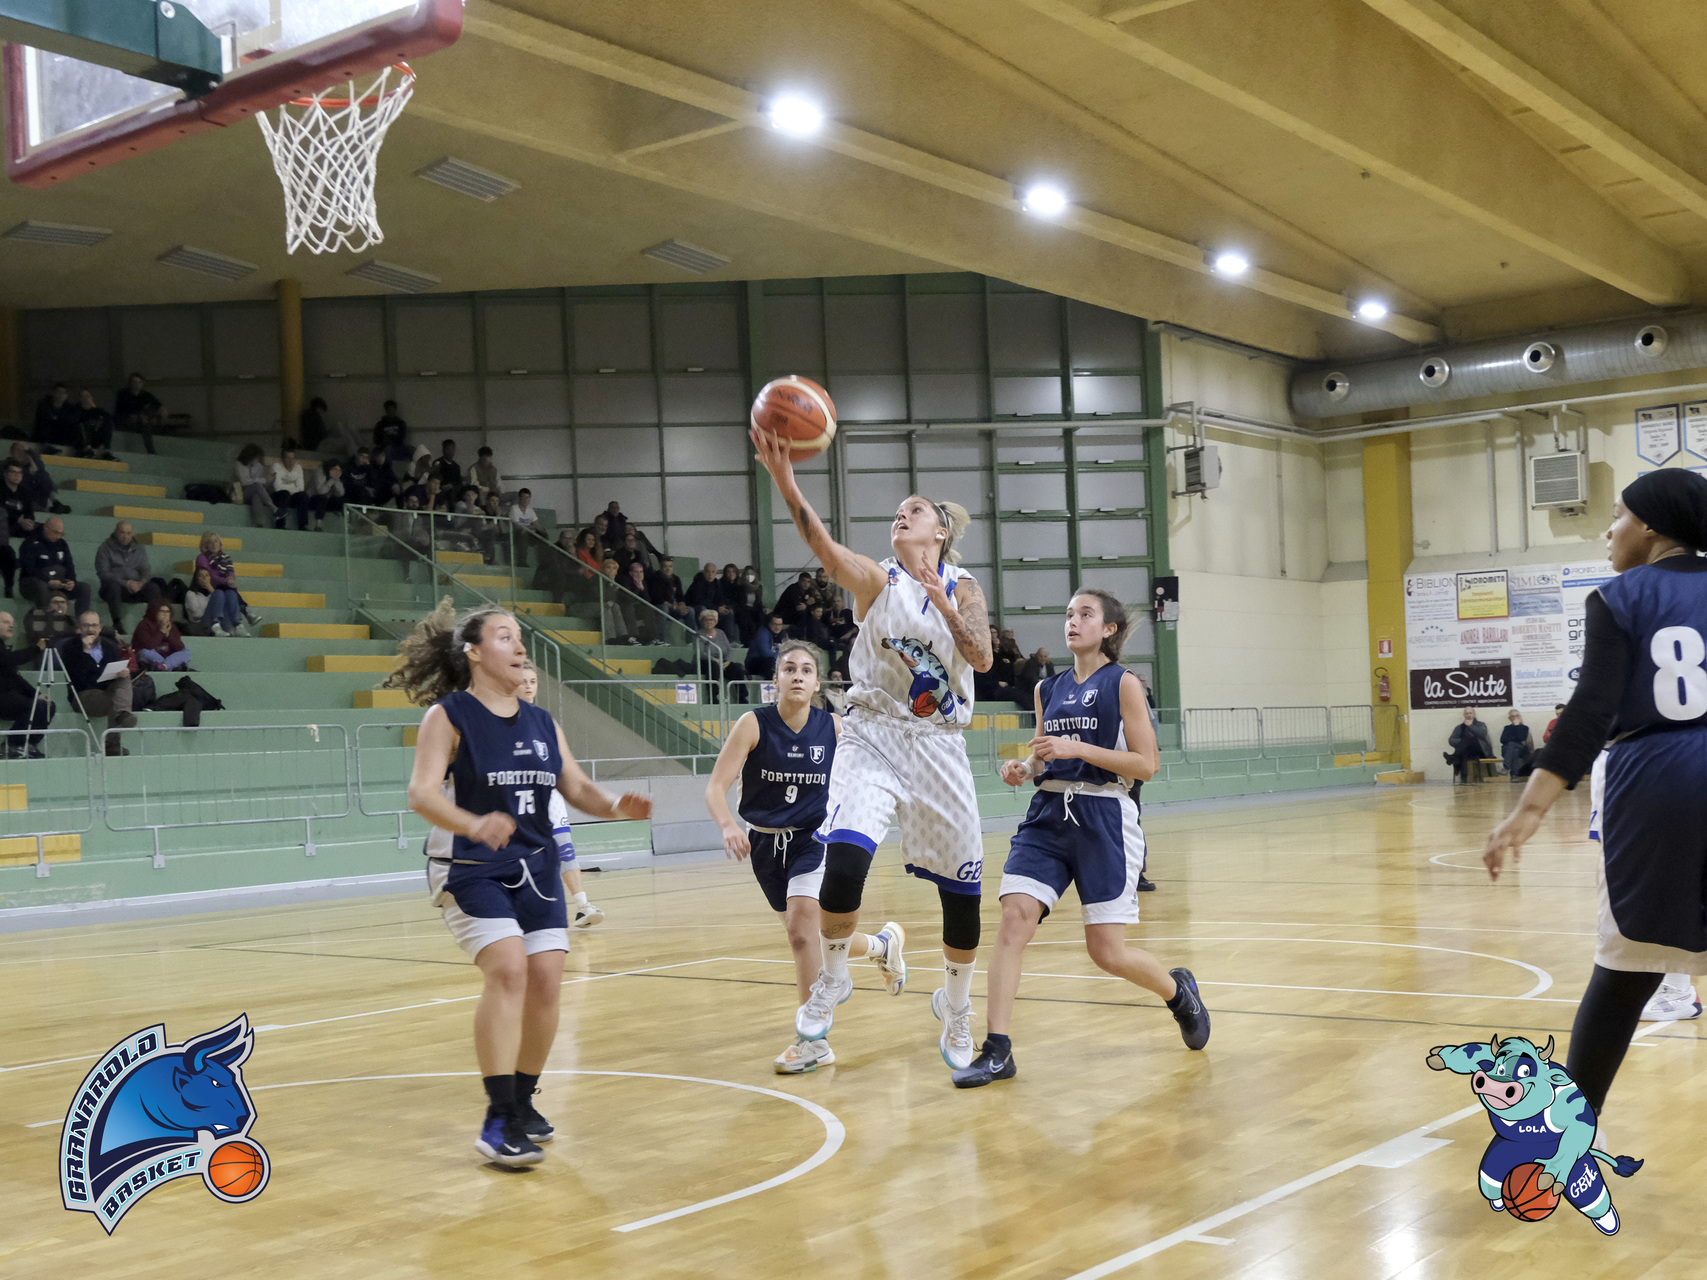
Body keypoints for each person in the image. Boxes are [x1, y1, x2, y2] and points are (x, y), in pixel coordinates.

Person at [753, 423, 994, 1071]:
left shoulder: (963, 585)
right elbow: (827, 551)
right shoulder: (879, 579)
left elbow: (981, 656)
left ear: (939, 532)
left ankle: (956, 1004)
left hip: (940, 744)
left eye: (913, 510)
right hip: (872, 734)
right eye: (897, 511)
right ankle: (833, 976)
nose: (900, 515)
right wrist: (785, 481)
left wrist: (946, 606)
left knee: (962, 896)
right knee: (844, 862)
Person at [1483, 469, 1707, 1127]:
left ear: (1651, 526)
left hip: (1657, 777)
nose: (1609, 531)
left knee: (1627, 964)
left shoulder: (1618, 597)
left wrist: (1529, 810)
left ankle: (1567, 1134)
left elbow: (1588, 711)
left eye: (1617, 515)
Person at [396, 600, 650, 1166]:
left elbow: (577, 788)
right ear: (473, 651)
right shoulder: (448, 715)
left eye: (520, 637)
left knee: (547, 984)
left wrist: (617, 806)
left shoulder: (542, 723)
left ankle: (523, 1099)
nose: (519, 646)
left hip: (536, 869)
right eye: (505, 636)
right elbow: (421, 793)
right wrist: (473, 824)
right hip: (470, 866)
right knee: (509, 968)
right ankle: (497, 1118)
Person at [953, 590, 1210, 1088]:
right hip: (1048, 814)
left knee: (1107, 953)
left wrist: (1077, 747)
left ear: (1108, 629)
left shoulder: (1123, 684)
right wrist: (1024, 767)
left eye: (1085, 614)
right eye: (1069, 614)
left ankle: (1179, 994)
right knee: (1013, 919)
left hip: (1104, 815)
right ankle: (997, 1050)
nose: (1072, 621)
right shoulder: (1046, 688)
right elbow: (1044, 755)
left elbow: (1147, 765)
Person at [706, 640, 906, 1072]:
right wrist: (727, 825)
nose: (797, 675)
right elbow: (715, 787)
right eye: (789, 669)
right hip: (764, 845)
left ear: (817, 683)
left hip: (814, 840)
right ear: (775, 679)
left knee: (801, 932)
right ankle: (881, 946)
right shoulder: (752, 724)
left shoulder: (834, 728)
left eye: (806, 670)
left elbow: (872, 771)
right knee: (812, 936)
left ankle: (813, 1041)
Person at [517, 663, 604, 930]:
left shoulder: (545, 721)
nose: (529, 686)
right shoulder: (500, 720)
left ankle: (583, 905)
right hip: (518, 798)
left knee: (565, 849)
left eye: (533, 681)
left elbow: (562, 765)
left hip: (549, 796)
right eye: (523, 681)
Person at [59, 611, 136, 756]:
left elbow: (113, 669)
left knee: (125, 678)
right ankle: (113, 740)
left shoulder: (108, 646)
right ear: (80, 628)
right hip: (83, 695)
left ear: (100, 628)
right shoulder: (70, 647)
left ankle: (123, 714)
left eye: (94, 625)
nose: (90, 629)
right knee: (116, 701)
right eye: (86, 625)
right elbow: (78, 678)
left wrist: (119, 673)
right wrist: (86, 652)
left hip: (105, 689)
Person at [95, 520, 167, 634]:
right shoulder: (104, 548)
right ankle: (117, 623)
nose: (125, 536)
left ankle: (152, 623)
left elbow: (146, 570)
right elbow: (103, 573)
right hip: (112, 588)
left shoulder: (139, 549)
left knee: (153, 588)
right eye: (122, 533)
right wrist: (125, 583)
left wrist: (141, 583)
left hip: (135, 588)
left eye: (128, 533)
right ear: (115, 532)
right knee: (113, 586)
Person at [0, 610, 53, 758]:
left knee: (47, 706)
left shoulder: (3, 648)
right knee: (36, 706)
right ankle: (12, 744)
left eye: (12, 622)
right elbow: (11, 659)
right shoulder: (4, 653)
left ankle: (28, 745)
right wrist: (37, 648)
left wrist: (37, 695)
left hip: (9, 696)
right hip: (3, 697)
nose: (12, 625)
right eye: (6, 622)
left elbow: (15, 677)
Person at [195, 531, 260, 636]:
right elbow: (210, 576)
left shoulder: (225, 558)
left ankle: (238, 625)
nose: (214, 544)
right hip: (210, 594)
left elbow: (231, 574)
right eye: (210, 542)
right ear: (205, 545)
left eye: (216, 541)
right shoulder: (202, 558)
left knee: (231, 593)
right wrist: (226, 581)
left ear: (220, 543)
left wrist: (231, 580)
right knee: (220, 592)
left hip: (224, 593)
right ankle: (244, 612)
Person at [20, 517, 90, 615]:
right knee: (42, 586)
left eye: (61, 533)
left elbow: (69, 565)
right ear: (46, 528)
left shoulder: (62, 544)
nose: (58, 536)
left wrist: (71, 581)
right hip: (34, 582)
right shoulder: (30, 543)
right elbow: (29, 569)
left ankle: (81, 620)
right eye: (55, 532)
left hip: (59, 582)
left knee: (84, 588)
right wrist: (48, 581)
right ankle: (45, 619)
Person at [132, 601, 192, 672]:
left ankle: (164, 666)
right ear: (155, 612)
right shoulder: (144, 625)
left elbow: (180, 647)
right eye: (162, 611)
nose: (165, 614)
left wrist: (168, 635)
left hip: (167, 656)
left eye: (167, 612)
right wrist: (162, 631)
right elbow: (149, 646)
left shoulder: (172, 626)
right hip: (151, 655)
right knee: (144, 652)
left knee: (186, 652)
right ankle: (170, 666)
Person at [9, 441, 67, 514]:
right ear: (12, 453)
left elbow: (40, 468)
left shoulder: (32, 466)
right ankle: (49, 509)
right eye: (17, 450)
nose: (20, 453)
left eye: (22, 450)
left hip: (36, 500)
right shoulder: (6, 465)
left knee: (43, 475)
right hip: (16, 499)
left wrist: (30, 452)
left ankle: (55, 503)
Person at [115, 373, 166, 453]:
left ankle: (151, 449)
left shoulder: (145, 395)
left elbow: (158, 405)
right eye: (134, 382)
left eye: (139, 382)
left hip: (142, 422)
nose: (137, 385)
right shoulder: (124, 394)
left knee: (146, 424)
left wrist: (160, 414)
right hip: (127, 420)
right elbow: (121, 411)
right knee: (139, 420)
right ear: (130, 383)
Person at [1444, 708, 1494, 783]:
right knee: (1465, 750)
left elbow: (1482, 734)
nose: (1468, 715)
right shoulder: (1460, 727)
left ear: (1474, 714)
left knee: (1468, 740)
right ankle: (1464, 779)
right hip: (1466, 752)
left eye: (1470, 713)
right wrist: (1462, 742)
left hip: (1480, 751)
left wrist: (1471, 725)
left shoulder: (1481, 724)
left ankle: (1454, 757)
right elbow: (1451, 740)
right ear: (1464, 715)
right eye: (1466, 713)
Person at [234, 444, 276, 528]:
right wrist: (263, 480)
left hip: (254, 492)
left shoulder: (258, 466)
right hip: (242, 493)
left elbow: (261, 484)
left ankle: (259, 523)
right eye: (256, 458)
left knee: (256, 496)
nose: (257, 460)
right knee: (256, 486)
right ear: (250, 457)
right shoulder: (239, 465)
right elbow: (245, 482)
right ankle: (273, 507)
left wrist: (268, 480)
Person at [270, 449, 310, 531]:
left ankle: (303, 526)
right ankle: (280, 525)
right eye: (288, 458)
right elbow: (277, 488)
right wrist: (293, 486)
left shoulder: (298, 467)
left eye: (293, 458)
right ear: (282, 459)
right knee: (284, 494)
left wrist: (285, 487)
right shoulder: (276, 466)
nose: (291, 461)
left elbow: (301, 488)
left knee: (303, 496)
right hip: (278, 497)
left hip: (291, 497)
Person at [33, 384, 81, 450]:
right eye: (58, 392)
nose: (61, 395)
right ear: (53, 393)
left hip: (63, 440)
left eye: (63, 393)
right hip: (45, 440)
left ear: (66, 396)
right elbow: (40, 424)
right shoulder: (44, 406)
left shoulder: (70, 409)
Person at [647, 555, 689, 625]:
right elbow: (657, 598)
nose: (668, 569)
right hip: (660, 607)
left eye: (670, 566)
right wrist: (673, 606)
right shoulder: (655, 578)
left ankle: (692, 632)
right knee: (664, 608)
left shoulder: (676, 579)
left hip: (674, 607)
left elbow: (680, 595)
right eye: (665, 566)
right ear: (661, 567)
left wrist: (682, 605)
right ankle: (661, 632)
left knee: (690, 611)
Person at [747, 613, 786, 681]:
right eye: (775, 624)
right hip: (754, 663)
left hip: (770, 661)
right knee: (771, 662)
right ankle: (770, 686)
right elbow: (766, 653)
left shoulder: (782, 634)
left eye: (780, 624)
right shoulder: (763, 633)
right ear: (769, 624)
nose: (778, 627)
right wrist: (783, 656)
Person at [310, 461, 346, 533]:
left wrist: (336, 480)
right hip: (313, 499)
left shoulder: (335, 478)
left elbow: (341, 493)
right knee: (322, 498)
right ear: (330, 469)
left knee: (343, 500)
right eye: (335, 469)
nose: (337, 472)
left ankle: (346, 523)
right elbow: (321, 491)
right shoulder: (320, 472)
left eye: (339, 470)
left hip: (328, 501)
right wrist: (331, 480)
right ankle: (318, 525)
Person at [77, 390, 115, 457]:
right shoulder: (77, 411)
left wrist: (94, 408)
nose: (85, 399)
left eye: (87, 396)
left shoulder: (98, 411)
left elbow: (109, 418)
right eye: (83, 397)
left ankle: (105, 449)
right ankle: (87, 450)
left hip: (96, 437)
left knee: (108, 423)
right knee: (81, 425)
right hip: (83, 439)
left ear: (91, 398)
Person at [1500, 710, 1534, 781]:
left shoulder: (1524, 728)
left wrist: (1517, 726)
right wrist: (1514, 738)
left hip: (1521, 748)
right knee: (1515, 751)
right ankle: (1514, 776)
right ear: (1509, 718)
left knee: (1511, 743)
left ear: (1520, 717)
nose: (1515, 718)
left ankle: (1506, 767)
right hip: (1508, 750)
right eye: (1512, 716)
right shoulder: (1507, 728)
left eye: (1517, 716)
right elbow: (1503, 740)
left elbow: (1521, 738)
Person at [374, 400, 410, 468]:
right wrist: (384, 442)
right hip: (385, 448)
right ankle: (388, 471)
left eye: (392, 410)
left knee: (413, 450)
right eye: (388, 410)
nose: (390, 412)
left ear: (395, 410)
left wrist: (393, 442)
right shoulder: (380, 424)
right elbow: (376, 439)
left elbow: (402, 437)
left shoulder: (401, 423)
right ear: (386, 411)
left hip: (398, 447)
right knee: (388, 450)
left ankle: (414, 471)